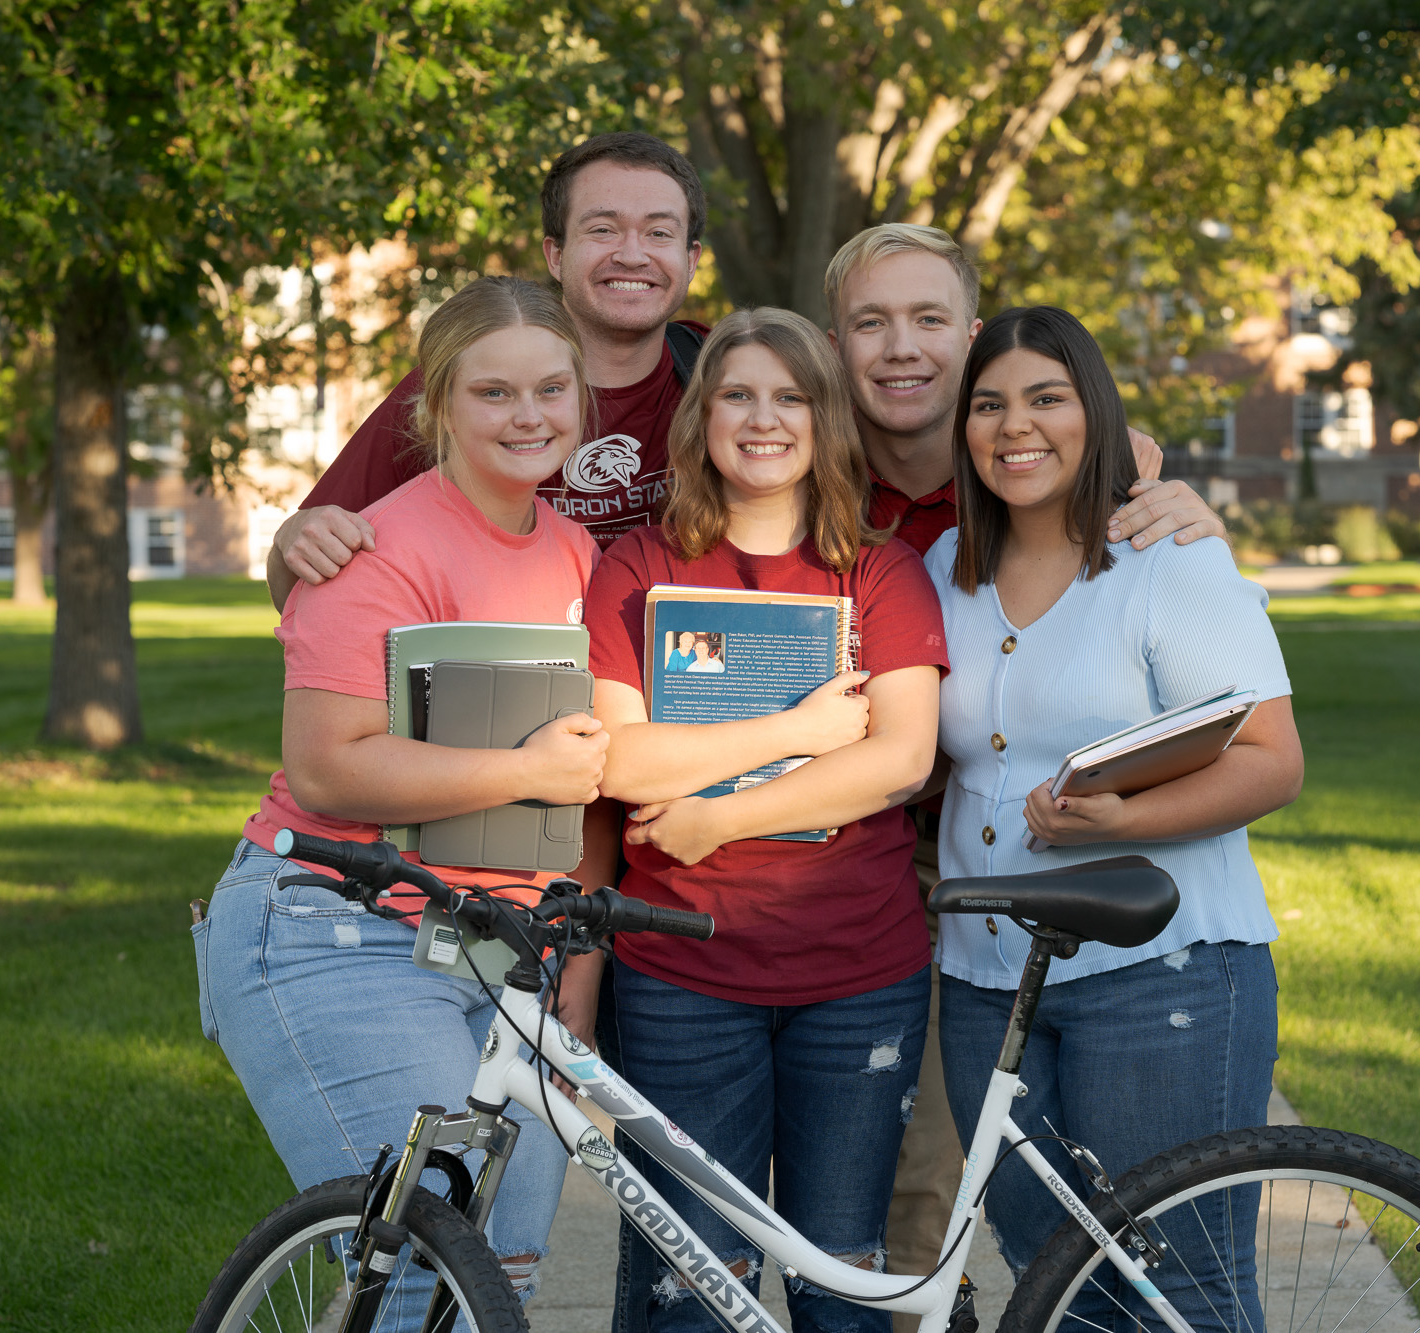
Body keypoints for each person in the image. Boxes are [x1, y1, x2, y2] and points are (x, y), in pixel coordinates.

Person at [192, 276, 620, 1325]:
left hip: (493, 943)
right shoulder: (372, 548)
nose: (527, 416)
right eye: (493, 393)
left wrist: (573, 952)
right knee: (431, 1250)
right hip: (336, 930)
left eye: (550, 390)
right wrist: (530, 770)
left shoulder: (571, 549)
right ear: (433, 408)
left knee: (499, 1275)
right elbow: (333, 764)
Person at [820, 223, 1228, 1315]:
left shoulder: (1079, 489)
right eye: (869, 321)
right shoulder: (799, 463)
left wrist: (1177, 505)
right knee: (905, 1205)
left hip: (1025, 893)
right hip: (869, 880)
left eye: (926, 320)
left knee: (1025, 1212)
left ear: (967, 335)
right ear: (835, 341)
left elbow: (1239, 717)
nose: (899, 347)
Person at [922, 306, 1303, 1331]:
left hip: (1159, 972)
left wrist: (1113, 818)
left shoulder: (1164, 557)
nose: (1016, 426)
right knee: (1053, 1280)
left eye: (1046, 398)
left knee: (1179, 1282)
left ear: (1093, 411)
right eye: (989, 404)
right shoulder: (942, 569)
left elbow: (1272, 762)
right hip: (986, 981)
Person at [584, 307, 951, 1333]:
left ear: (825, 420)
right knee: (692, 1280)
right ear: (700, 417)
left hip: (857, 975)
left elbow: (897, 757)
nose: (762, 418)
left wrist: (717, 815)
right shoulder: (638, 569)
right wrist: (796, 727)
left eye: (790, 396)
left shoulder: (878, 571)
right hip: (680, 975)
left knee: (840, 1276)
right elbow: (622, 758)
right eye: (737, 394)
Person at [265, 131, 711, 607]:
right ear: (555, 255)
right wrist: (295, 535)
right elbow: (298, 575)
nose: (631, 254)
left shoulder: (725, 380)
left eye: (659, 232)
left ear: (691, 259)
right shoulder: (466, 384)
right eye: (602, 230)